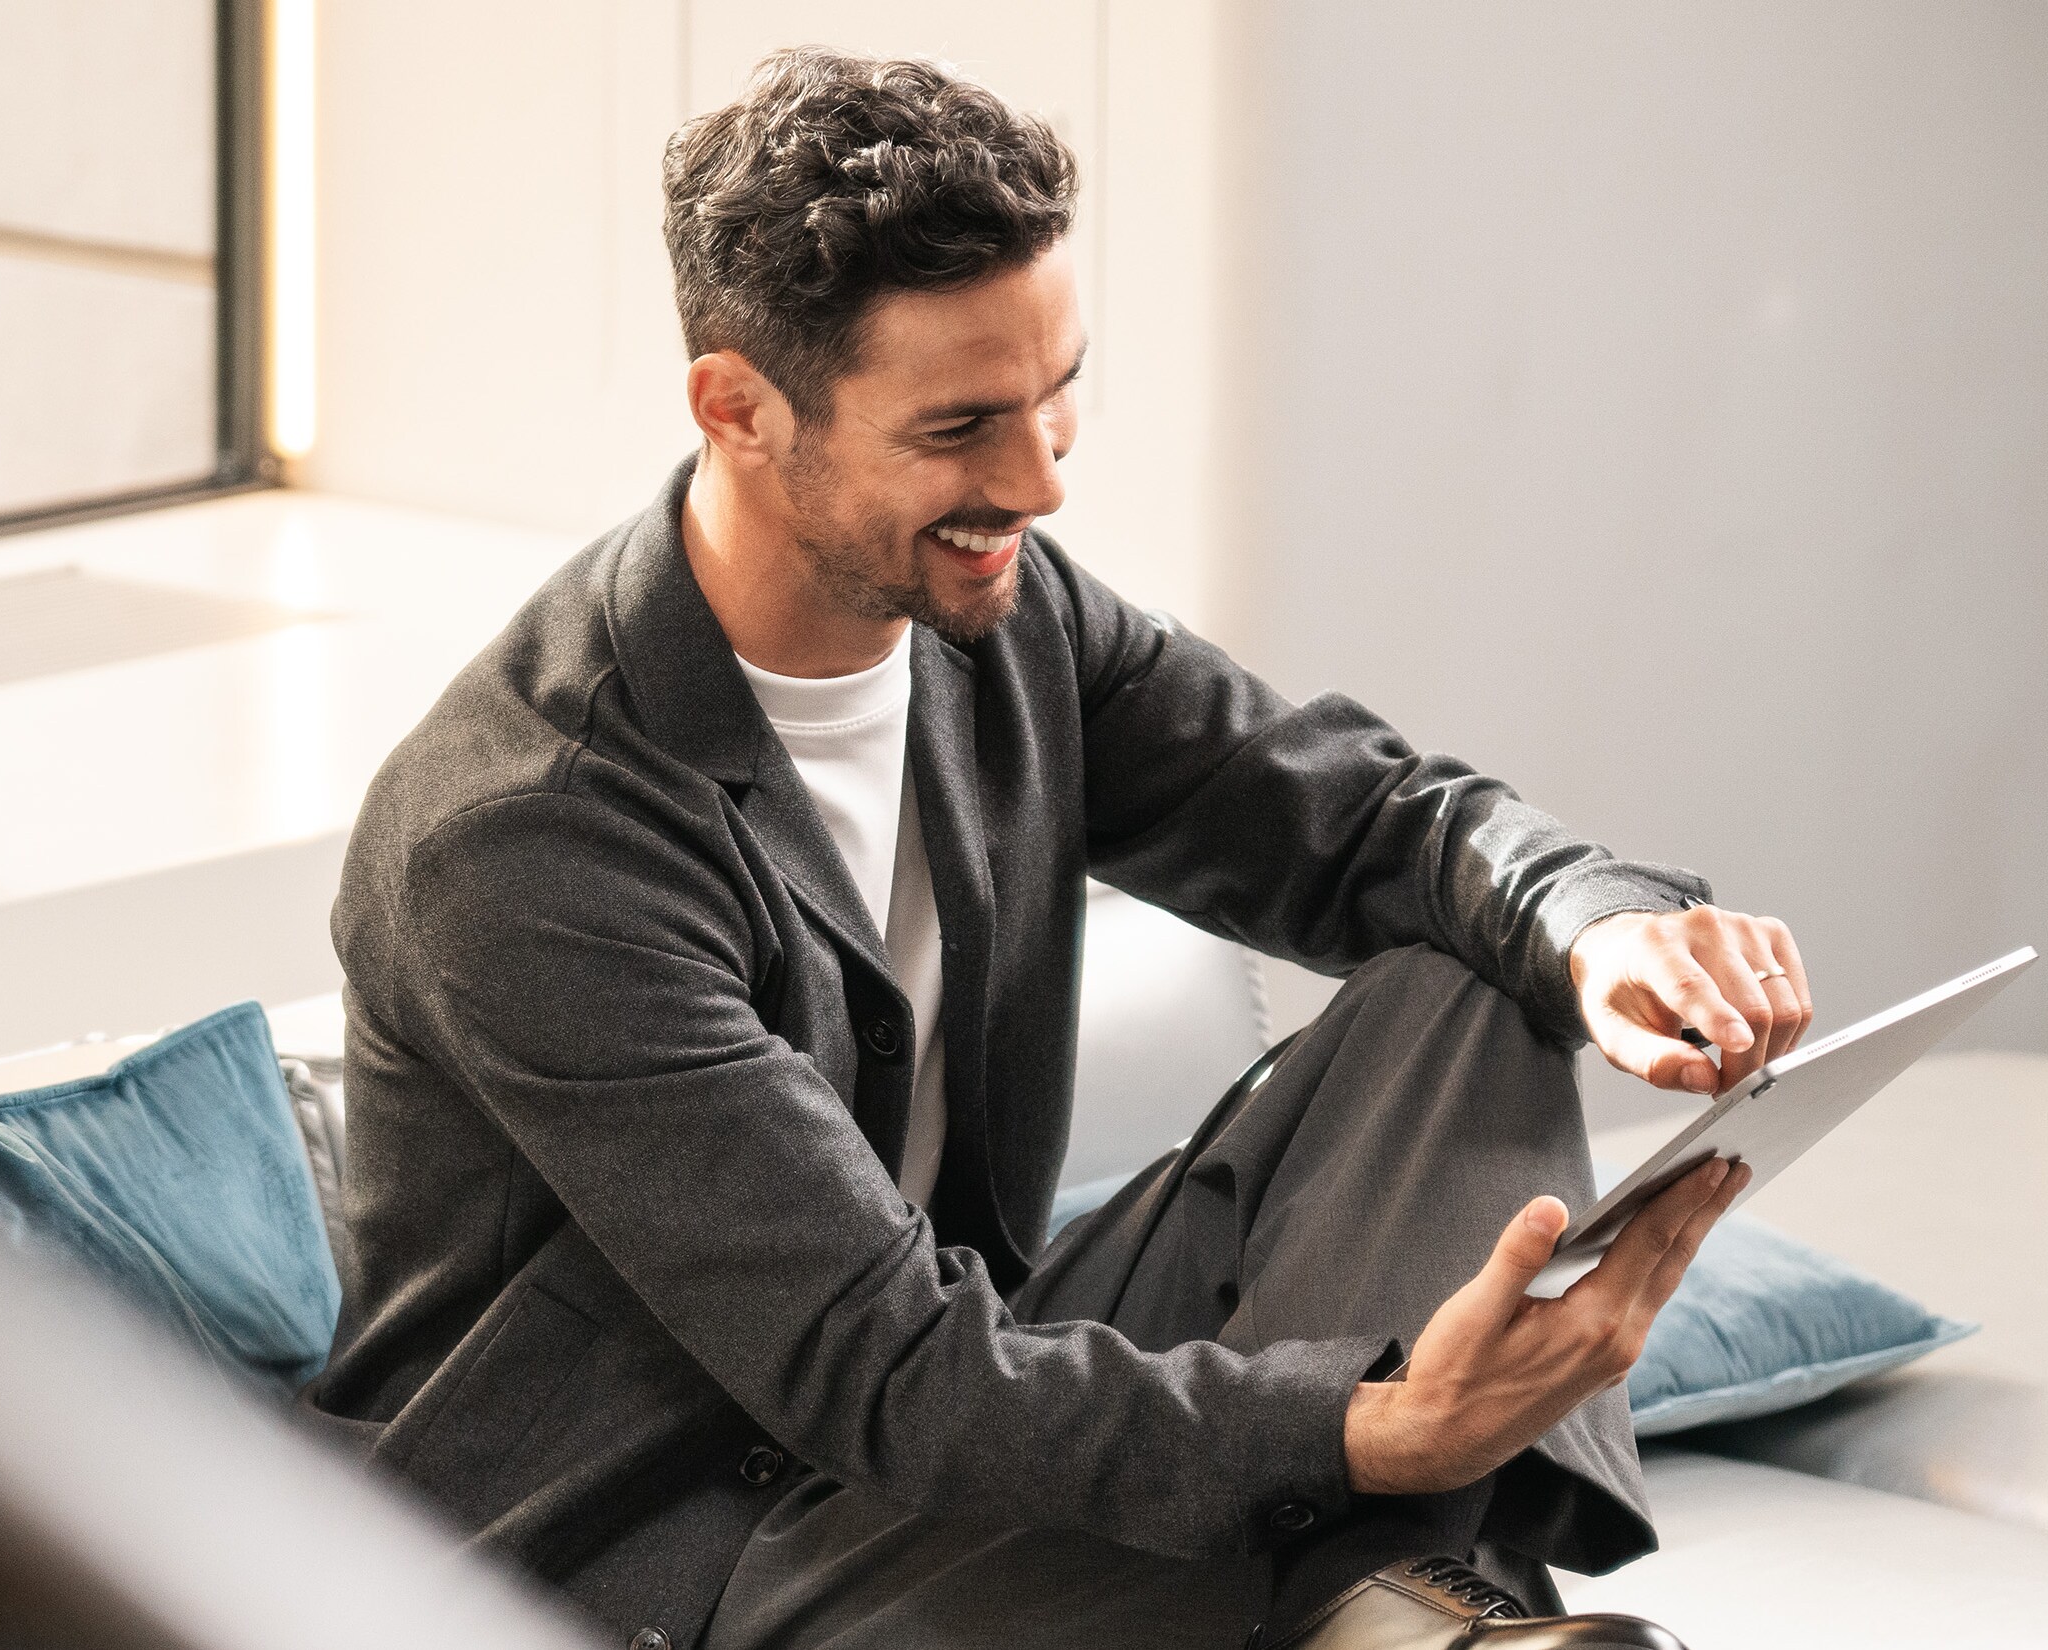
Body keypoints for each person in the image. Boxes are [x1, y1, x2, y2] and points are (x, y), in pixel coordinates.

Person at [306, 46, 1814, 1650]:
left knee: (1479, 977)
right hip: (651, 1553)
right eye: (962, 424)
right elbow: (882, 1366)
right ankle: (1417, 1609)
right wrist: (1379, 1431)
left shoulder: (1001, 622)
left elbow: (1367, 822)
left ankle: (1391, 1617)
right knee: (1288, 1455)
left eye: (1056, 391)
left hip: (938, 1417)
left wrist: (1592, 925)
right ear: (739, 408)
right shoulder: (531, 837)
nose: (1036, 478)